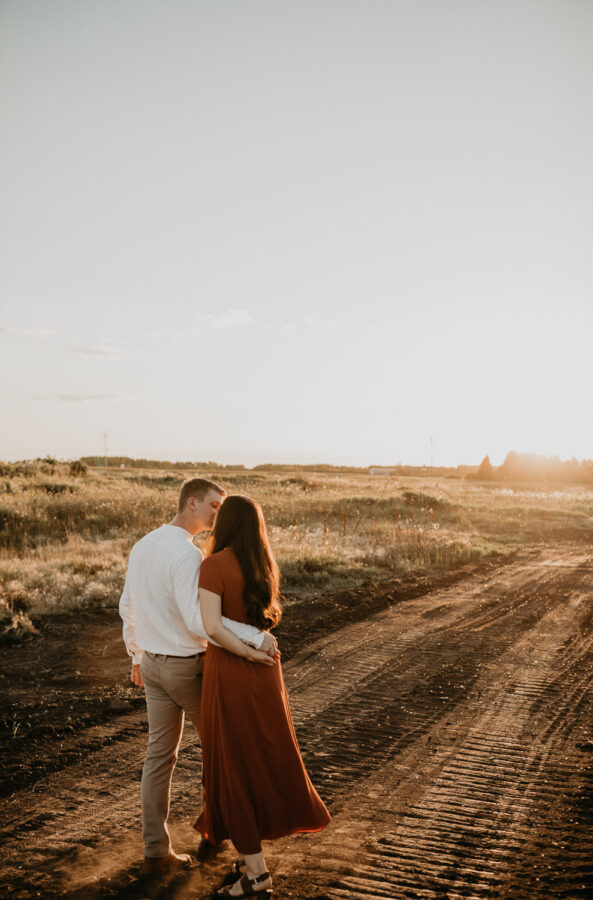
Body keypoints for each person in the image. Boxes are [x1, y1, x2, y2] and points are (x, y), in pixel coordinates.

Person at [119, 477, 278, 876]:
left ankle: (156, 850)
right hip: (188, 668)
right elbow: (201, 622)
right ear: (191, 503)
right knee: (220, 752)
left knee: (159, 757)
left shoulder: (143, 545)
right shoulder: (188, 556)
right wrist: (256, 636)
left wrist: (136, 655)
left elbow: (127, 607)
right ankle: (212, 835)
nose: (218, 514)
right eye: (214, 505)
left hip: (153, 665)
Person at [195, 494, 330, 898]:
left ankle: (256, 873)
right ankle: (245, 854)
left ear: (226, 526)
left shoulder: (212, 565)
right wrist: (258, 650)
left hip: (232, 673)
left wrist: (247, 652)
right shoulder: (263, 565)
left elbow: (212, 628)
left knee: (232, 765)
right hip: (266, 675)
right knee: (263, 755)